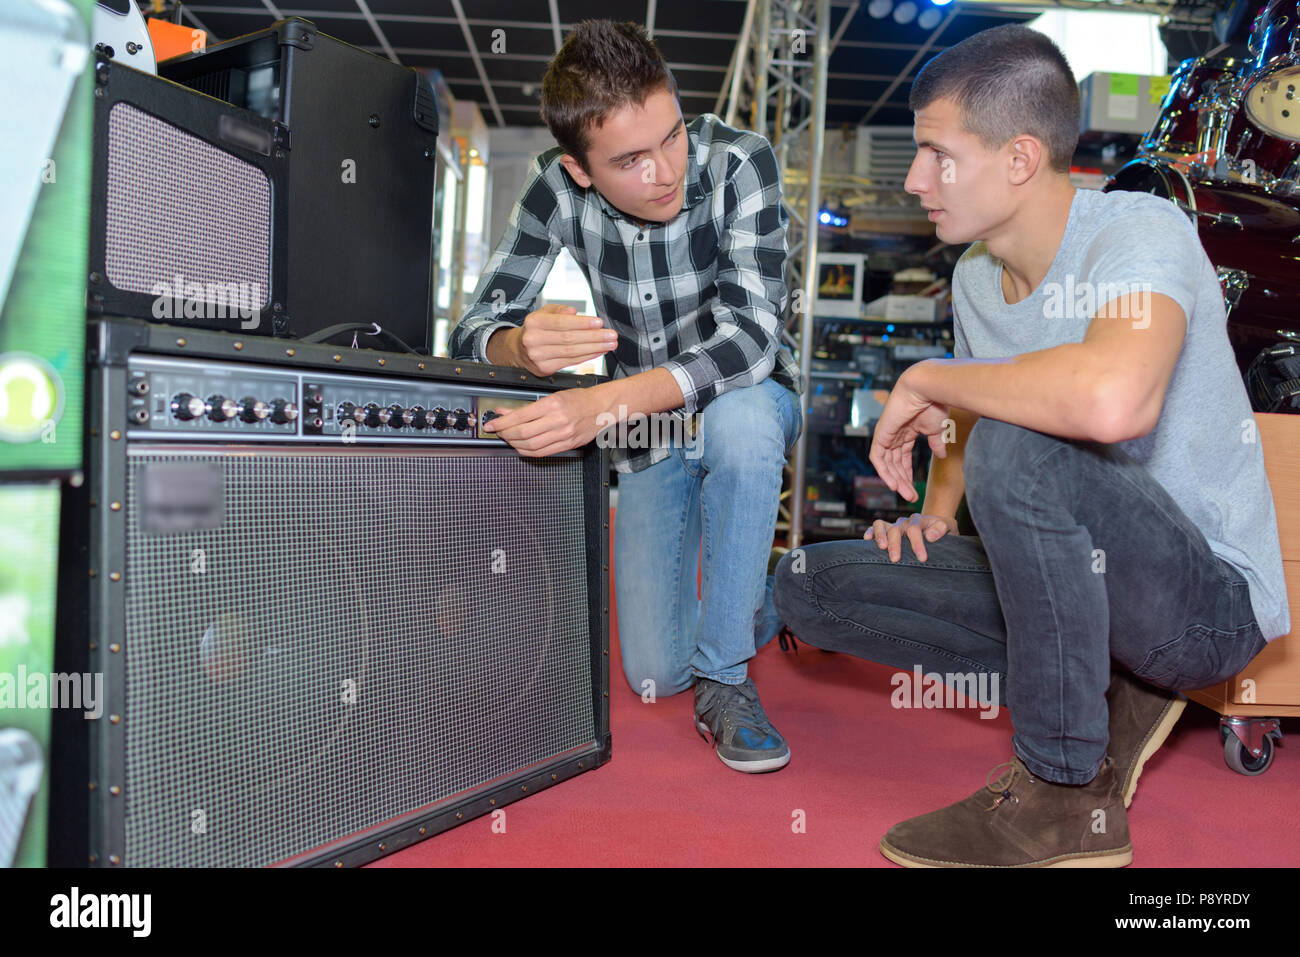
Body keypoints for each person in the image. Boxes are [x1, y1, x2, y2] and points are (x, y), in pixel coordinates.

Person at [774, 24, 1289, 865]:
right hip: (1067, 584)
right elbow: (975, 420)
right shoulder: (975, 276)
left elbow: (1113, 399)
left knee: (1024, 439)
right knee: (808, 587)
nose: (914, 181)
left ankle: (1061, 789)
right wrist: (938, 514)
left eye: (937, 155)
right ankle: (1105, 683)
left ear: (1019, 158)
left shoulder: (1140, 231)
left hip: (1203, 605)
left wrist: (934, 377)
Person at [449, 20, 803, 773]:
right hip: (651, 434)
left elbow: (747, 344)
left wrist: (601, 406)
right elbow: (474, 327)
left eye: (671, 136)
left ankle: (728, 680)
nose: (665, 171)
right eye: (630, 160)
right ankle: (772, 599)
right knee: (652, 676)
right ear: (580, 170)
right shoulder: (554, 189)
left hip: (746, 399)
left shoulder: (741, 161)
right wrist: (519, 344)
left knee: (740, 420)